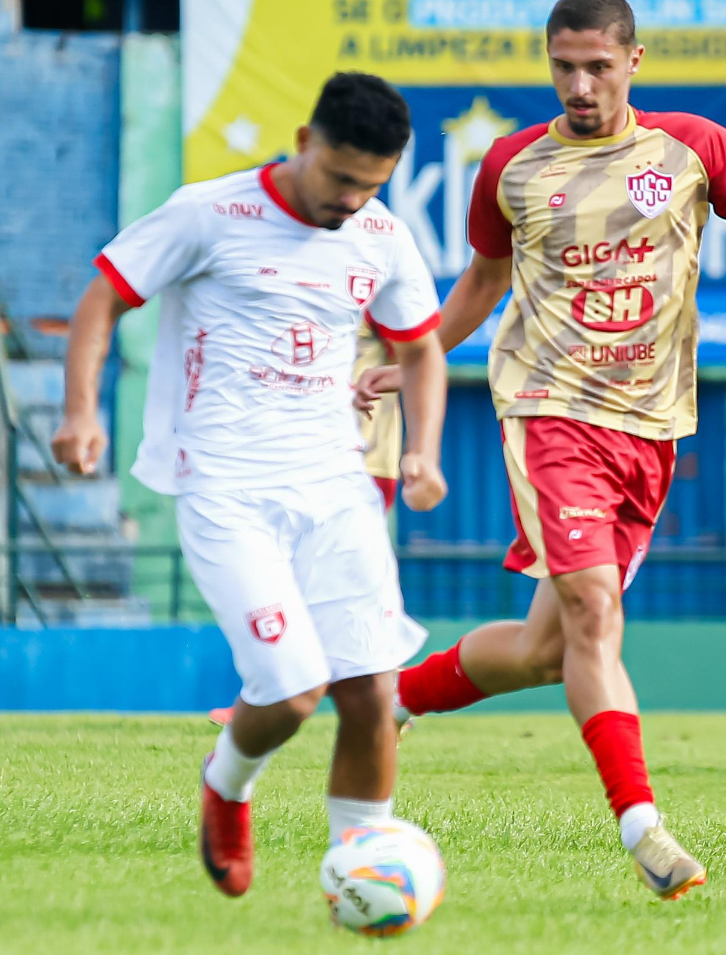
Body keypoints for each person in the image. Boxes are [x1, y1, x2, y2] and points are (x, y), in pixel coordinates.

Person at [357, 0, 726, 900]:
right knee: (598, 611)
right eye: (564, 67)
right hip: (549, 407)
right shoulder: (512, 165)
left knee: (545, 650)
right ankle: (645, 830)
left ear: (633, 62)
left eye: (599, 66)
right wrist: (419, 360)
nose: (580, 84)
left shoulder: (693, 148)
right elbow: (481, 282)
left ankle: (392, 699)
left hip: (651, 426)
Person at [51, 72, 447, 898]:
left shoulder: (380, 235)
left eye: (369, 185)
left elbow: (421, 349)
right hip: (225, 487)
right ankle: (227, 783)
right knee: (296, 689)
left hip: (335, 481)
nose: (349, 201)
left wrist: (422, 451)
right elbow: (101, 302)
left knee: (373, 688)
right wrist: (82, 411)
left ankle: (361, 871)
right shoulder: (209, 212)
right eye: (340, 178)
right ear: (304, 141)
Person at [207, 316, 402, 728]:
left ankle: (383, 696)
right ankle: (385, 698)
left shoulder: (374, 280)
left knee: (341, 580)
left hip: (361, 457)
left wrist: (421, 451)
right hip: (296, 453)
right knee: (281, 576)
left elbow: (417, 362)